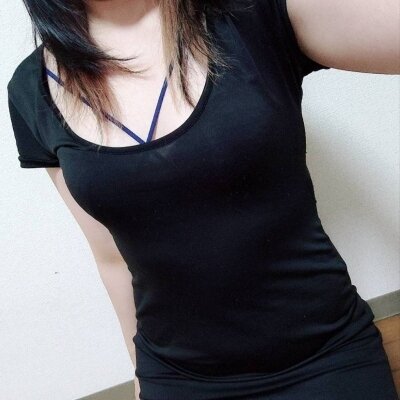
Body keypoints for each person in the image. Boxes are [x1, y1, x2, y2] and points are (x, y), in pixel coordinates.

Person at [6, 0, 399, 399]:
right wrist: (140, 371)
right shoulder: (30, 88)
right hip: (177, 377)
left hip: (325, 356)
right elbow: (110, 256)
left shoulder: (248, 12)